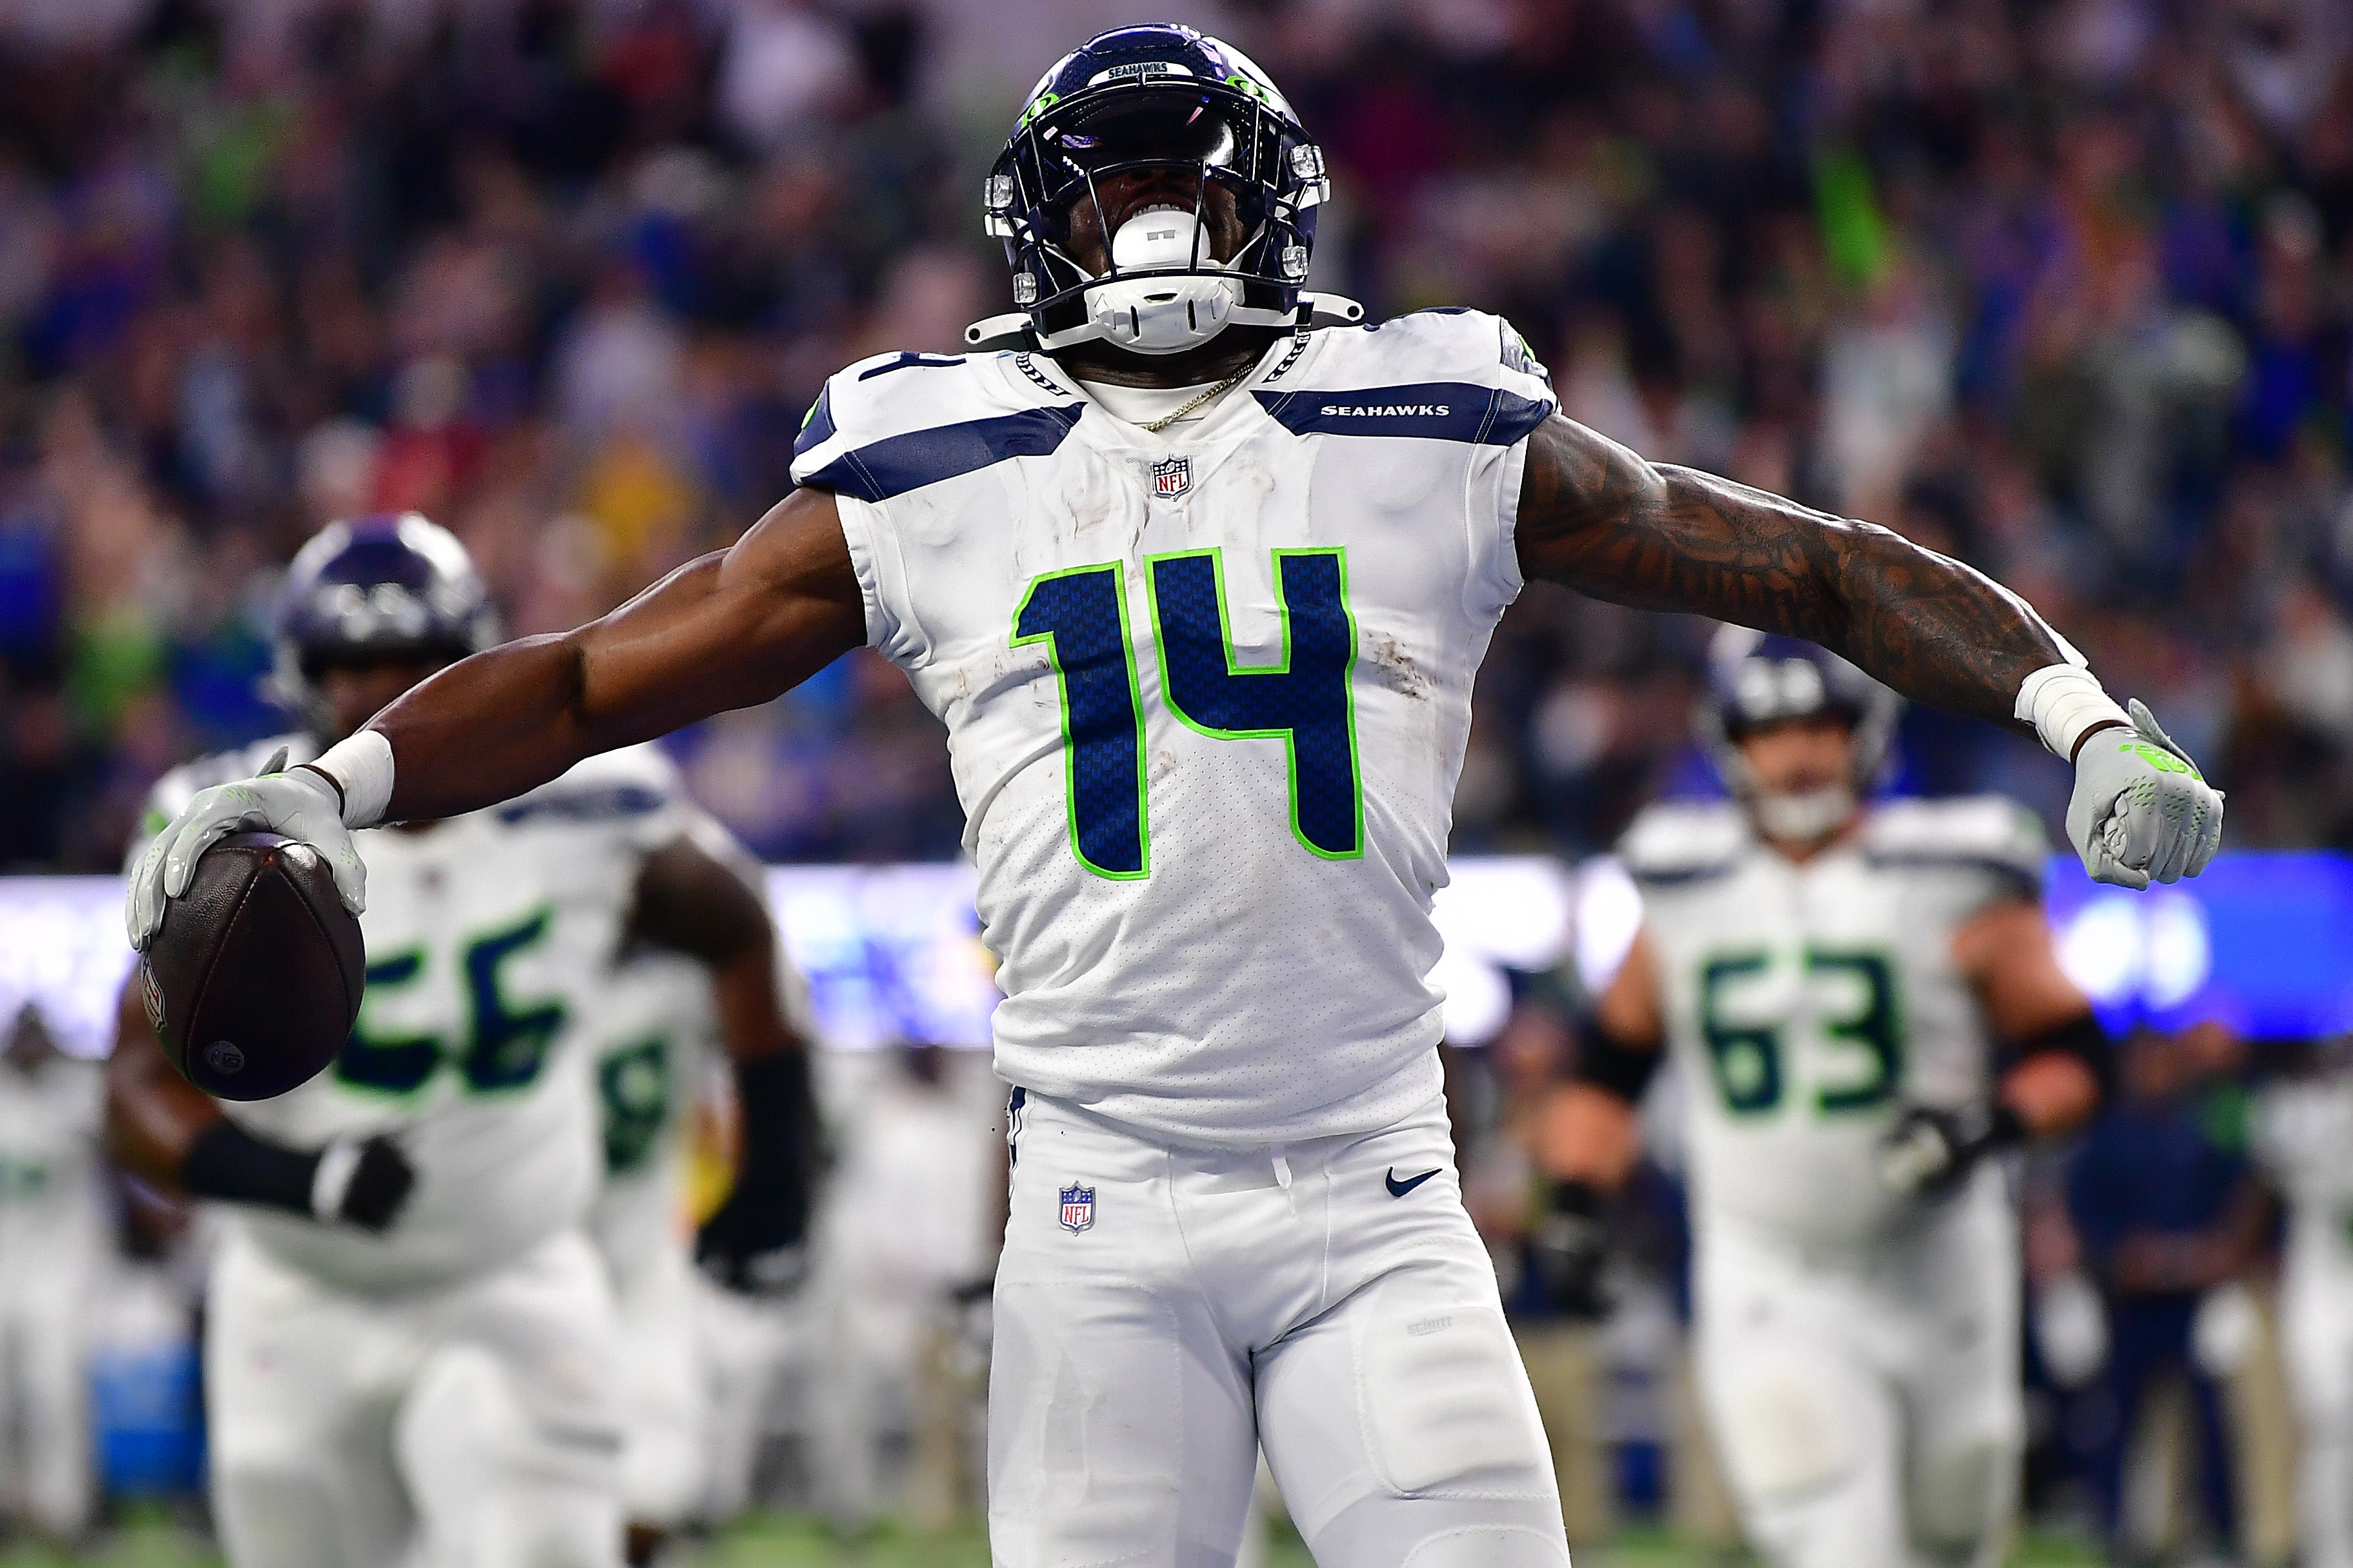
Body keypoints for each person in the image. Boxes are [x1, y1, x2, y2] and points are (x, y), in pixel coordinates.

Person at [126, 26, 2224, 1564]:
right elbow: (593, 674)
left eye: (1190, 189)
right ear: (1035, 224)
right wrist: (338, 785)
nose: (1149, 230)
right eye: (1113, 189)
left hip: (1376, 1187)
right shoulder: (923, 461)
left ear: (1273, 211)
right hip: (1097, 1203)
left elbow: (1809, 562)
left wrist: (2067, 710)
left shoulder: (1429, 414)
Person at [108, 514, 817, 1568]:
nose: (371, 696)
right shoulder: (222, 826)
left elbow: (737, 925)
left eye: (412, 666)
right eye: (349, 666)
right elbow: (129, 1089)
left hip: (515, 1271)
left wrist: (778, 1154)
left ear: (470, 665)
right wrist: (300, 1180)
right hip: (298, 1289)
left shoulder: (590, 806)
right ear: (299, 674)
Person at [1536, 628, 2113, 1568]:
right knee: (1834, 1534)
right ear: (1726, 742)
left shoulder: (1954, 871)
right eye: (1768, 731)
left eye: (1819, 726)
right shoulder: (1680, 883)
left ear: (1866, 734)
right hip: (1772, 1274)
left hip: (1943, 1266)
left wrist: (1988, 1125)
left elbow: (2076, 1051)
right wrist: (1571, 1199)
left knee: (1954, 1533)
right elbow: (1607, 1065)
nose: (1797, 755)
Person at [583, 810, 821, 1567]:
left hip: (640, 1239)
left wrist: (771, 1184)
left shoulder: (694, 903)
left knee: (656, 1484)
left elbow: (776, 1032)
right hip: (506, 1238)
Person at [0, 1004, 106, 1543]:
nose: (28, 1049)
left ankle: (65, 1512)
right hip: (6, 1270)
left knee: (57, 1389)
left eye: (38, 1038)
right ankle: (9, 1507)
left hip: (63, 1272)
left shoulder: (79, 1094)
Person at [2252, 1035, 2353, 1568]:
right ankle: (2327, 1554)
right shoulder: (2293, 1109)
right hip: (2318, 1274)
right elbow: (2268, 1176)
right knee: (2327, 1419)